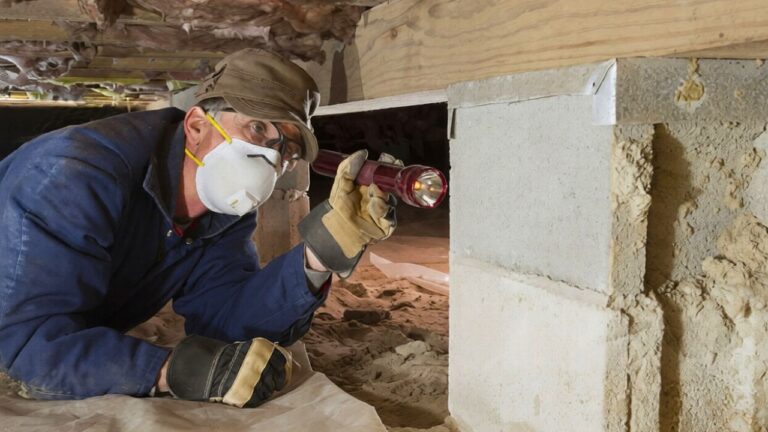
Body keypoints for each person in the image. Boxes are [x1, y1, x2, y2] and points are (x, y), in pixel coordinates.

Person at [0, 48, 395, 408]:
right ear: (196, 126)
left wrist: (318, 256)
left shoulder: (223, 214)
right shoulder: (74, 175)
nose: (270, 158)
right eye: (258, 129)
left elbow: (225, 320)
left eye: (286, 150)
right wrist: (171, 370)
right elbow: (30, 346)